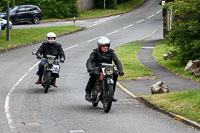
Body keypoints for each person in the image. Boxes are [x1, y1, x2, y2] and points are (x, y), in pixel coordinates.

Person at [85, 36, 124, 102]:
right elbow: (90, 60)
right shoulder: (95, 52)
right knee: (94, 74)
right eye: (103, 46)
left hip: (108, 68)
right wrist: (90, 68)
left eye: (107, 46)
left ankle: (111, 95)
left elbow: (117, 61)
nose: (105, 47)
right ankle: (88, 93)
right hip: (97, 68)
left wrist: (121, 70)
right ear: (100, 46)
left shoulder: (111, 52)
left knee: (115, 74)